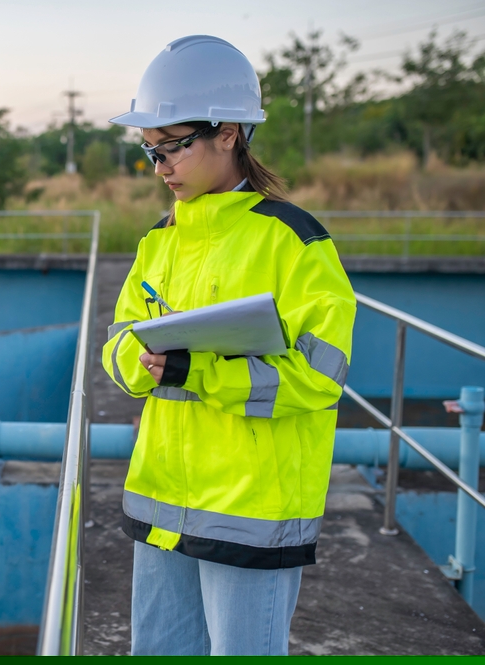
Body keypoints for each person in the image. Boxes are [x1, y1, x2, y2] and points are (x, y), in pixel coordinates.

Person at [101, 35, 356, 656]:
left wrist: (198, 371)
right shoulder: (157, 243)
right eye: (149, 151)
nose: (159, 166)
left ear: (229, 132)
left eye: (173, 146)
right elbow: (116, 346)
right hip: (165, 499)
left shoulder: (293, 240)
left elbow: (320, 376)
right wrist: (141, 363)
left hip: (251, 508)